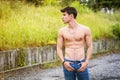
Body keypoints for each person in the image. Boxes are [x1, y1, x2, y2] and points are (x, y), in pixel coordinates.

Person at [57, 6, 93, 80]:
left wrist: (86, 62)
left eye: (64, 15)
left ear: (71, 16)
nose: (62, 17)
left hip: (81, 63)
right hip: (68, 63)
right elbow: (59, 48)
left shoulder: (85, 29)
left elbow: (90, 46)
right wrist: (63, 62)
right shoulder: (62, 31)